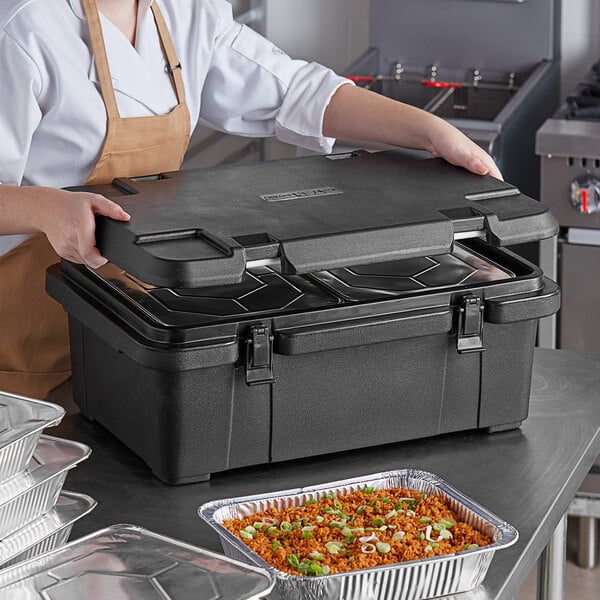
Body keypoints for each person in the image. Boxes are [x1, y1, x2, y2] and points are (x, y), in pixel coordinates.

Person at [0, 0, 502, 400]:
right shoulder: (23, 26)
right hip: (28, 334)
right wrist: (44, 208)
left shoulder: (185, 11)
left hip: (139, 312)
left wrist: (431, 132)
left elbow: (294, 91)